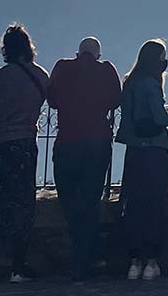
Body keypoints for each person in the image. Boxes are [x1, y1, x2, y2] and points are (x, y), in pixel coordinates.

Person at [0, 24, 48, 285]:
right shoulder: (40, 76)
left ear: (6, 48)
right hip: (25, 143)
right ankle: (18, 266)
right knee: (21, 204)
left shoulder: (0, 75)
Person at [47, 36, 123, 281]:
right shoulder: (107, 70)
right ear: (97, 54)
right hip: (97, 142)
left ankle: (81, 256)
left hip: (67, 141)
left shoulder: (61, 67)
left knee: (68, 198)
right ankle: (87, 258)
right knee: (90, 200)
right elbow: (116, 100)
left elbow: (52, 100)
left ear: (78, 52)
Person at [117, 39, 168, 281]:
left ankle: (133, 261)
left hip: (134, 150)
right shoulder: (151, 85)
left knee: (133, 204)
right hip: (154, 151)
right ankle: (152, 261)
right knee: (155, 204)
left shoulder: (130, 82)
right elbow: (158, 117)